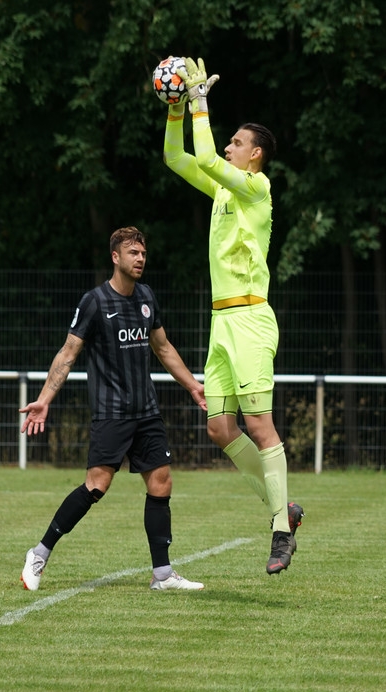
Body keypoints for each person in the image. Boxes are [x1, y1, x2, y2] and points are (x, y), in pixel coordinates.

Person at [162, 56, 304, 575]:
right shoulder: (225, 189)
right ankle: (283, 509)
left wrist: (199, 100)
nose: (227, 147)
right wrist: (176, 108)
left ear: (255, 155)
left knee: (259, 424)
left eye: (237, 143)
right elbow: (177, 157)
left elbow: (204, 154)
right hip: (221, 322)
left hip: (250, 319)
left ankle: (281, 533)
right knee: (220, 428)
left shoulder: (257, 187)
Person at [19, 226, 208, 592]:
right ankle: (39, 553)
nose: (140, 258)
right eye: (133, 253)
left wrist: (192, 385)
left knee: (161, 482)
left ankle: (162, 574)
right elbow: (68, 353)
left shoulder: (147, 296)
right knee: (96, 486)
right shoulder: (95, 302)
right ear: (115, 257)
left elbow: (163, 347)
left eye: (143, 253)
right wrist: (44, 399)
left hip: (146, 411)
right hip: (111, 413)